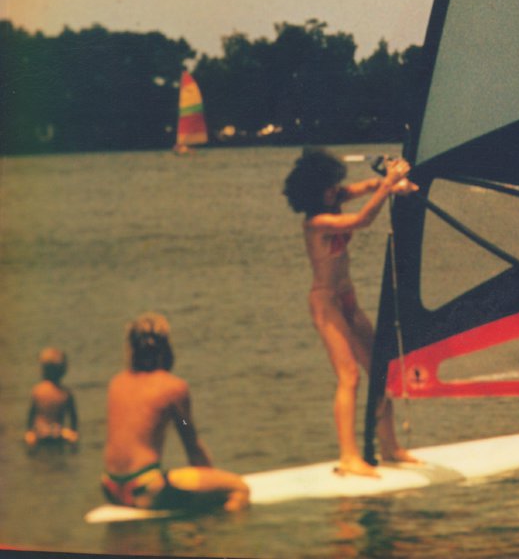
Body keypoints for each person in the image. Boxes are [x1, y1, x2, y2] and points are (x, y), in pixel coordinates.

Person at [282, 148, 419, 476]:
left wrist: (392, 179)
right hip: (326, 303)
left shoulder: (336, 197)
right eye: (328, 187)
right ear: (315, 193)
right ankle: (348, 457)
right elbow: (362, 220)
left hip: (348, 300)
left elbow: (369, 187)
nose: (335, 190)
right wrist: (389, 186)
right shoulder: (318, 222)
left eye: (334, 185)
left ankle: (390, 447)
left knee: (380, 372)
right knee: (350, 376)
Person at [101, 313, 249, 513]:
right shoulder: (173, 388)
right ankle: (218, 536)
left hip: (111, 488)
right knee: (239, 489)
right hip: (147, 488)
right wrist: (211, 485)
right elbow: (191, 443)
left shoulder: (116, 383)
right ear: (166, 347)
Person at [24, 347, 78, 449]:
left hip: (39, 432)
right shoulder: (66, 393)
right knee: (71, 437)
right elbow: (73, 417)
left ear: (43, 370)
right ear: (63, 371)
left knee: (30, 439)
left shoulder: (37, 390)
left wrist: (29, 431)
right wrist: (73, 432)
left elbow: (31, 415)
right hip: (58, 432)